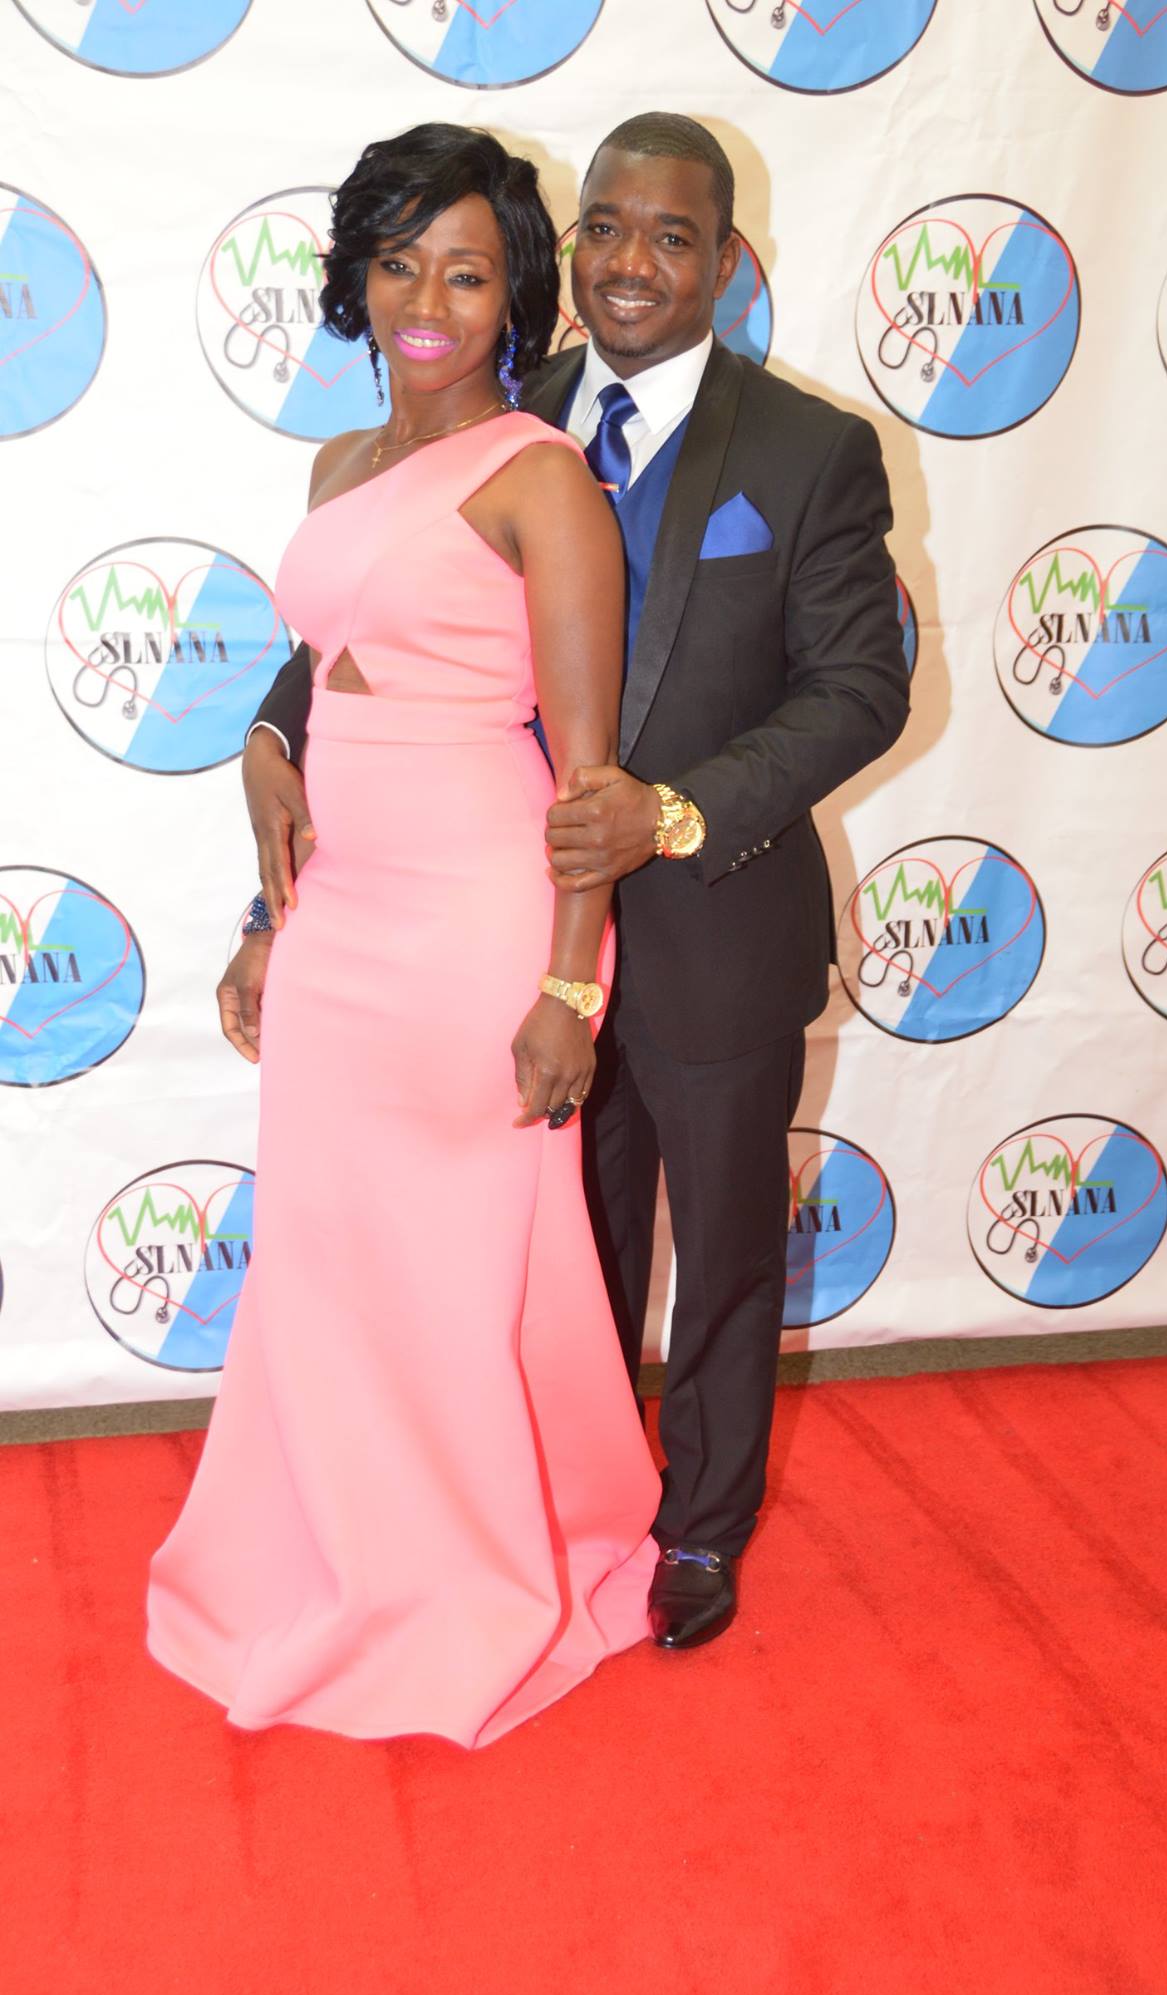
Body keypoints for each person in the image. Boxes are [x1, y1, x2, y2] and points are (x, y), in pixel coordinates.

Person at [225, 113, 911, 1654]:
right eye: (607, 226)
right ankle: (566, 1501)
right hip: (497, 930)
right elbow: (368, 624)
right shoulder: (494, 398)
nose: (632, 262)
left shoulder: (809, 451)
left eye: (674, 236)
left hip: (711, 916)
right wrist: (271, 735)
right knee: (548, 1257)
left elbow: (862, 689)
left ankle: (701, 1528)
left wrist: (672, 812)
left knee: (720, 1252)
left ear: (728, 263)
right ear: (570, 243)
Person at [148, 124, 662, 1748]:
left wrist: (570, 984)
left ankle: (463, 1580)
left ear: (517, 296)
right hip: (341, 919)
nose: (426, 304)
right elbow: (326, 679)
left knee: (449, 1271)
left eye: (466, 273)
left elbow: (588, 780)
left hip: (474, 921)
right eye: (398, 265)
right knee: (329, 1257)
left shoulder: (541, 479)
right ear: (357, 279)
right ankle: (329, 1553)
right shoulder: (338, 467)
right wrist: (267, 882)